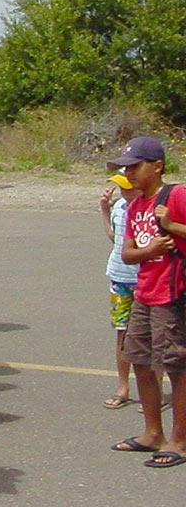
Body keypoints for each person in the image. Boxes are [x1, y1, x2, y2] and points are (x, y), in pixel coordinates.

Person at [108, 137, 186, 466]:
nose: (129, 172)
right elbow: (126, 252)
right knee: (139, 358)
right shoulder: (136, 204)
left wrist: (171, 225)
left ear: (157, 166)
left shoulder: (176, 195)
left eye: (134, 166)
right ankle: (152, 432)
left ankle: (179, 439)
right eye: (125, 167)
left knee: (175, 365)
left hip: (172, 292)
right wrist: (149, 251)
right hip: (145, 291)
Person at [100, 173, 140, 409]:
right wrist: (105, 211)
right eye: (120, 187)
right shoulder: (119, 207)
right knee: (122, 332)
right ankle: (123, 386)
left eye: (127, 188)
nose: (122, 192)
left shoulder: (150, 209)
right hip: (120, 278)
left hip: (144, 279)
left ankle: (152, 388)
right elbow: (114, 238)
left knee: (151, 336)